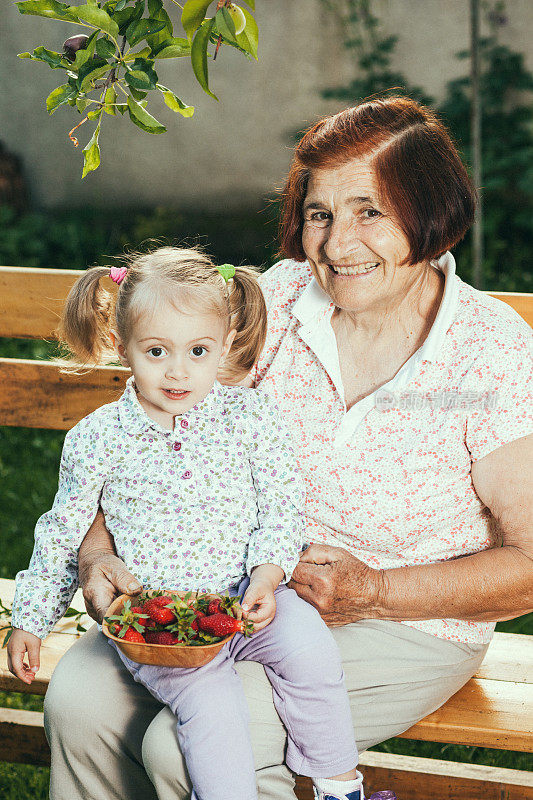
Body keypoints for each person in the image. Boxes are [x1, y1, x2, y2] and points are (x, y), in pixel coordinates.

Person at [43, 97, 532, 800]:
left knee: (186, 747)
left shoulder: (491, 351)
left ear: (430, 210)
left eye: (370, 211)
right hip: (222, 584)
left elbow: (528, 562)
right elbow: (138, 437)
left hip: (408, 622)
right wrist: (98, 556)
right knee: (80, 704)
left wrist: (376, 592)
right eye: (319, 213)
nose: (337, 245)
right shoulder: (276, 299)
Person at [8, 247, 382, 800]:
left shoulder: (250, 417)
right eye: (157, 350)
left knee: (309, 649)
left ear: (226, 346)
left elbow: (282, 500)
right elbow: (62, 531)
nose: (178, 371)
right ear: (121, 345)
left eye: (198, 350)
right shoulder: (98, 437)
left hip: (244, 597)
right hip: (164, 621)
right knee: (215, 712)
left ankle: (337, 781)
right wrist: (31, 620)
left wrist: (268, 572)